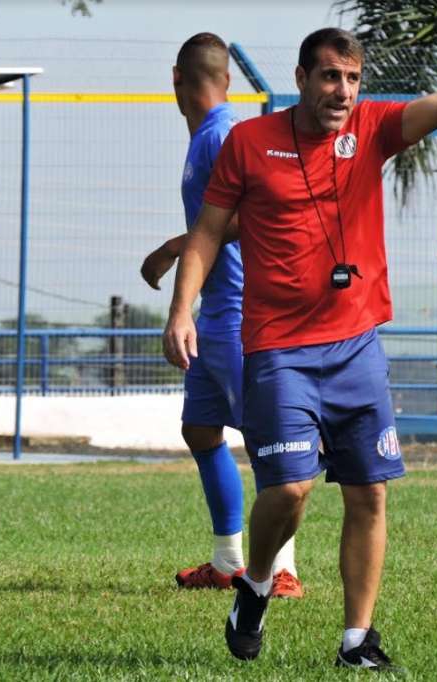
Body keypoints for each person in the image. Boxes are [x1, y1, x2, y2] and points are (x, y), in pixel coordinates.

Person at [162, 27, 437, 670]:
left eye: (352, 79)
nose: (342, 91)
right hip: (279, 349)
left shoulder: (372, 128)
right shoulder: (247, 142)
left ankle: (358, 640)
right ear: (301, 79)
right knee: (292, 488)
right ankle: (257, 582)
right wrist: (181, 310)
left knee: (368, 493)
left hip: (356, 347)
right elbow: (209, 232)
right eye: (330, 77)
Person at [140, 32, 303, 599]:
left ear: (176, 81)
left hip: (241, 315)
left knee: (268, 442)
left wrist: (172, 247)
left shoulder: (226, 135)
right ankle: (228, 560)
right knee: (201, 429)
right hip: (212, 317)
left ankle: (281, 569)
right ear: (228, 79)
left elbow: (258, 215)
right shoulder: (207, 137)